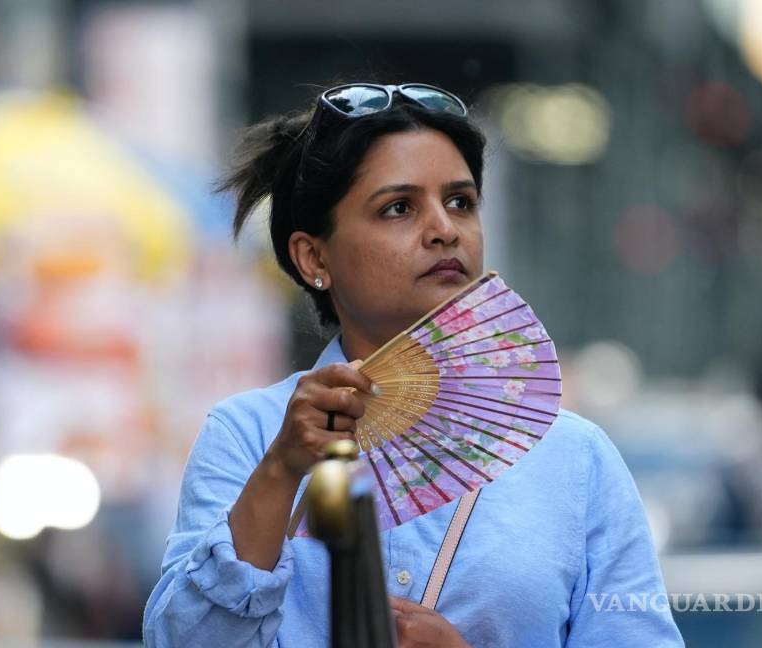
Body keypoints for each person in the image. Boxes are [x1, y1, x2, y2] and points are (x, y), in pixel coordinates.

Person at [143, 83, 684, 647]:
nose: (445, 229)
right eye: (398, 208)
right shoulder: (248, 437)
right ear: (313, 257)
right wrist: (282, 471)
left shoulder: (575, 459)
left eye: (461, 202)